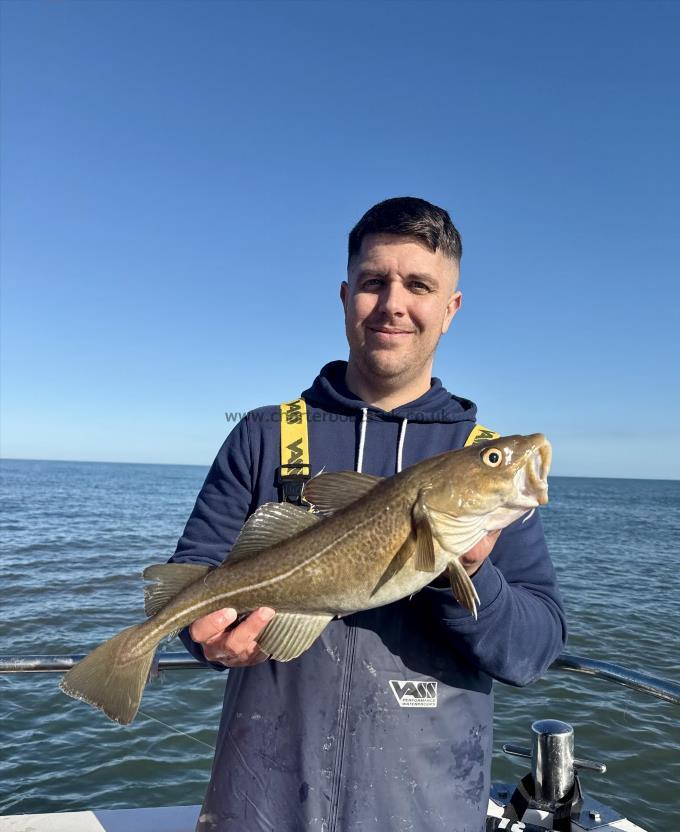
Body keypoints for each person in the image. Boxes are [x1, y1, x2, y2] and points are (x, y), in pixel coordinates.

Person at [170, 197, 567, 832]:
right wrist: (203, 636)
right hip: (262, 799)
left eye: (419, 285)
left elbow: (533, 650)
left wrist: (469, 571)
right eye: (373, 282)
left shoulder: (483, 470)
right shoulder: (262, 435)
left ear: (450, 309)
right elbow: (195, 570)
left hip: (428, 806)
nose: (393, 304)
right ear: (345, 293)